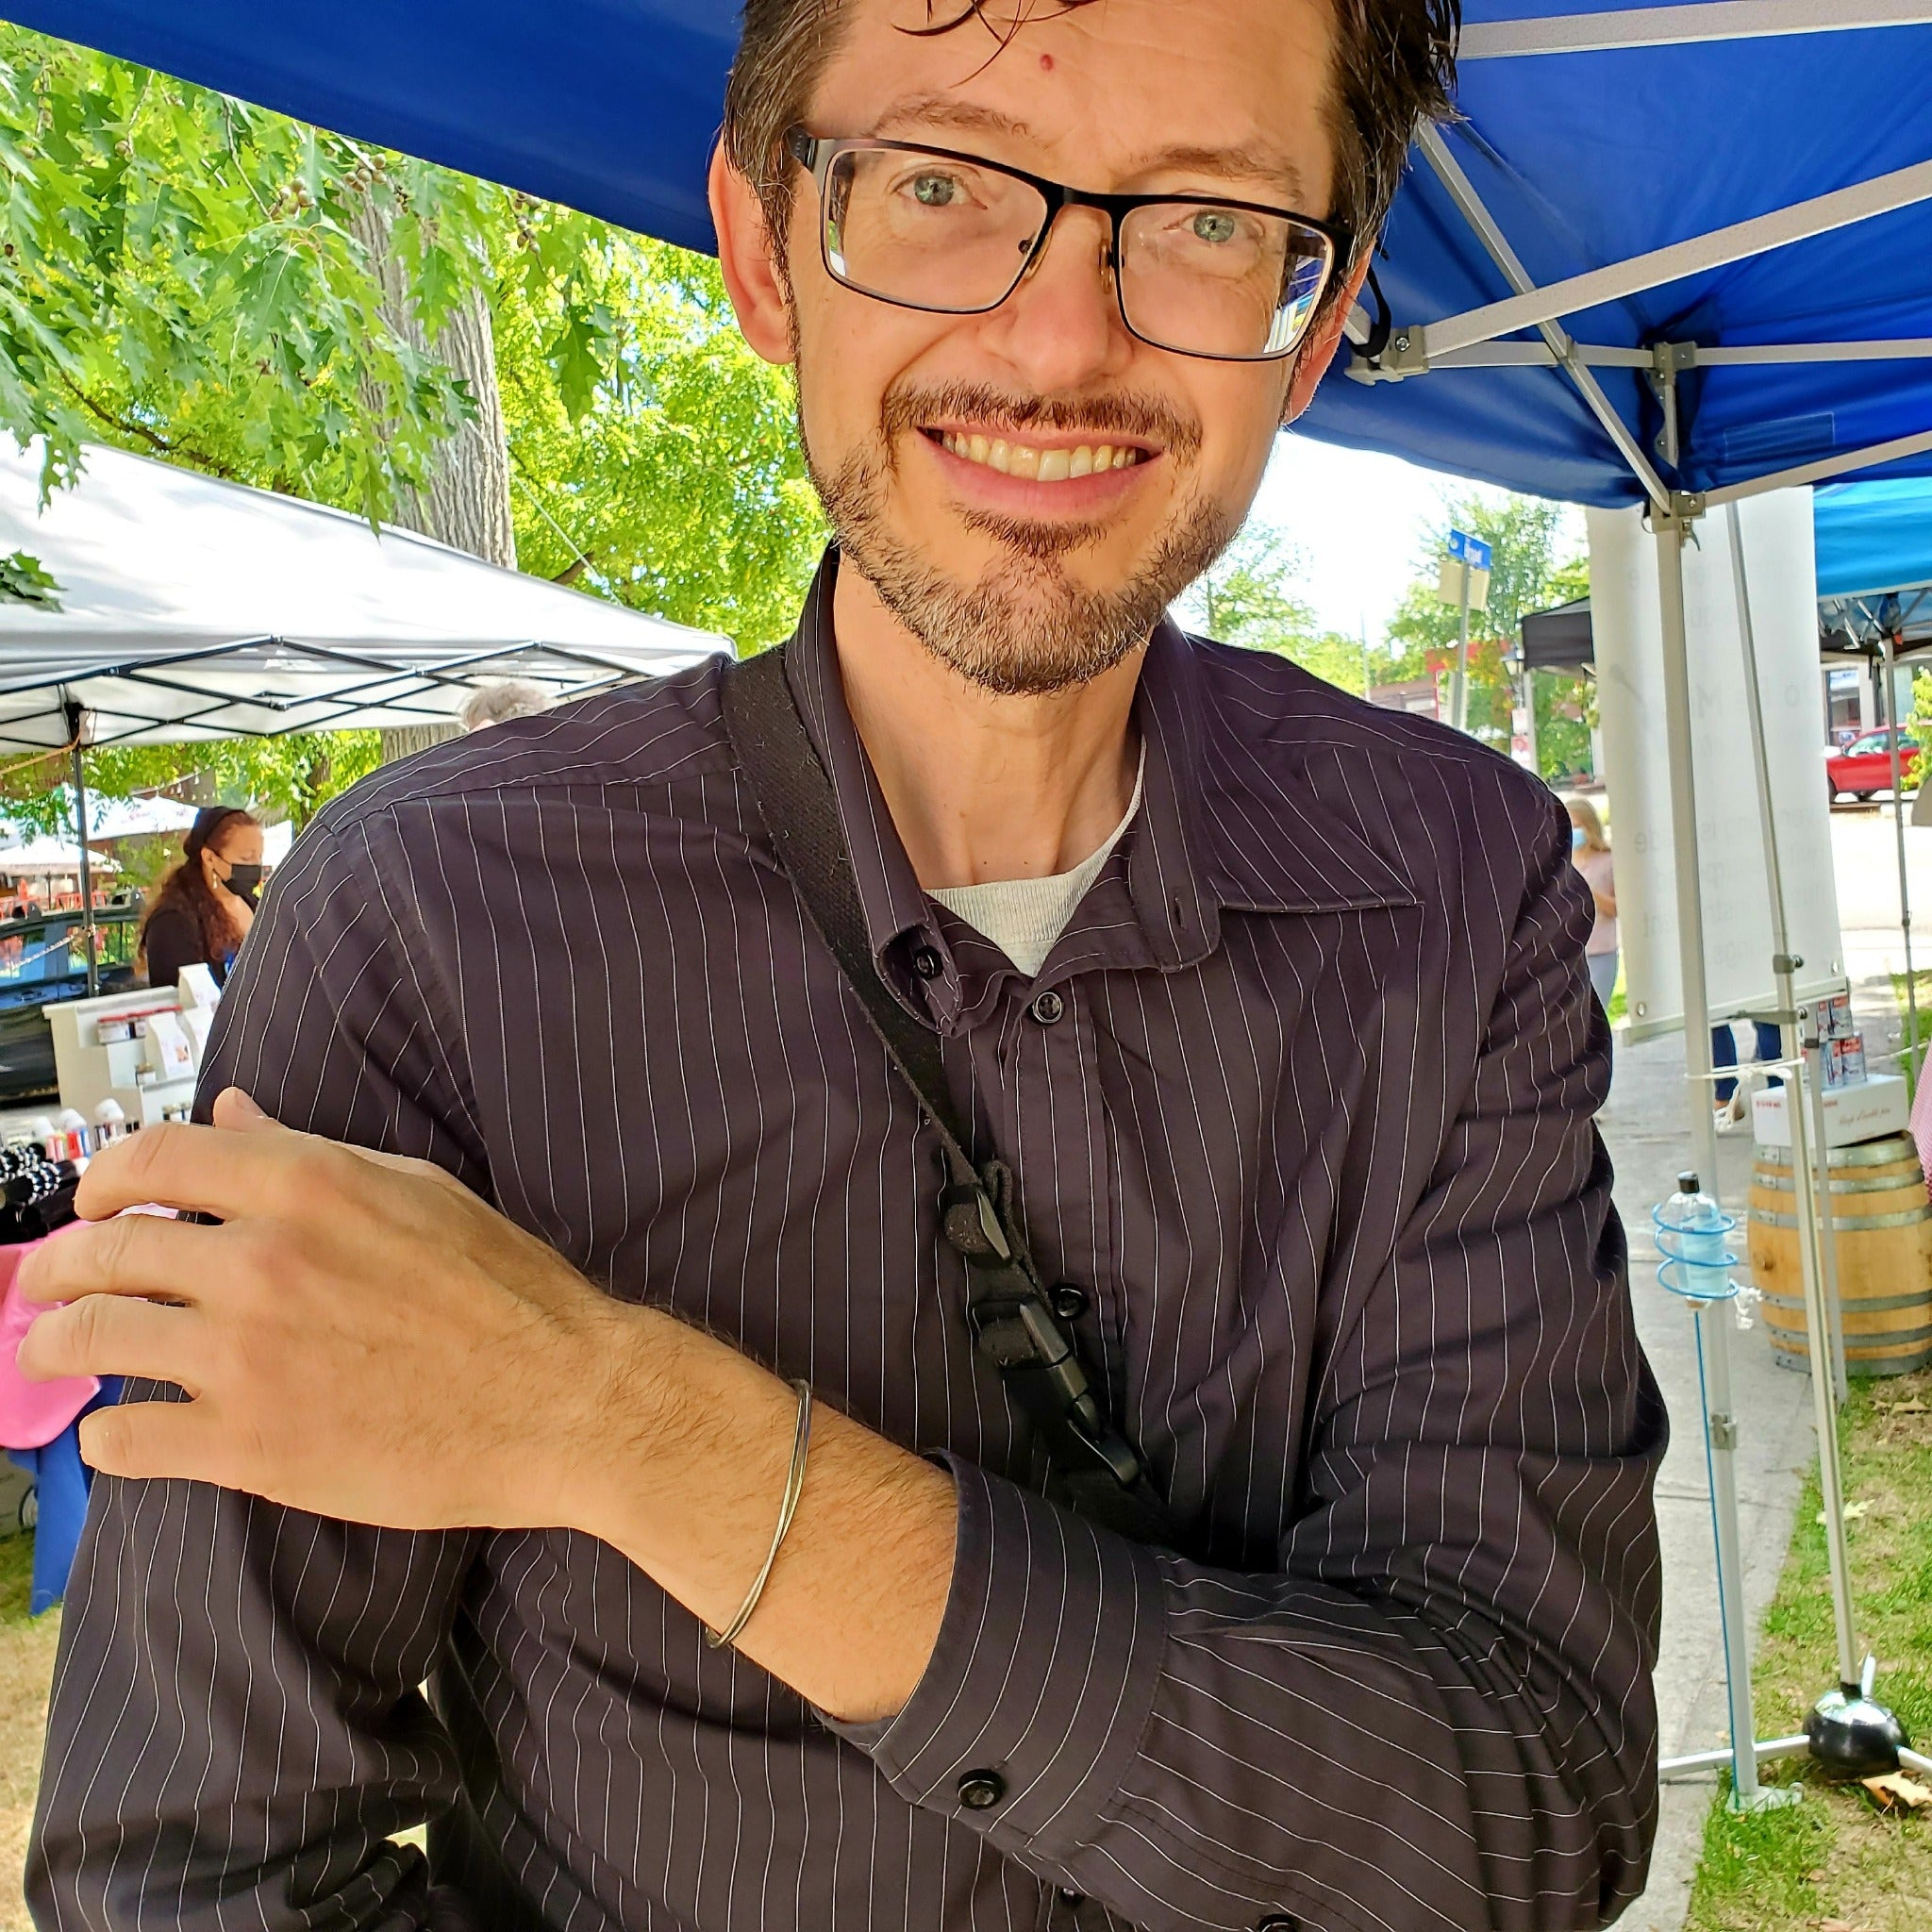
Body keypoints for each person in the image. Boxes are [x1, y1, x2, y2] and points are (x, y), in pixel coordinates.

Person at [21, 5, 1667, 1929]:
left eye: (1205, 219)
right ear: (759, 250)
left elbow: (1522, 1807)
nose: (1060, 343)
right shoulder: (434, 922)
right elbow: (188, 1870)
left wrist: (616, 1417)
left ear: (1312, 320)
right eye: (939, 184)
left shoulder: (1454, 882)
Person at [136, 804, 265, 989]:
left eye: (259, 857)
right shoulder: (172, 922)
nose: (256, 866)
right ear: (209, 858)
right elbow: (181, 999)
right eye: (246, 858)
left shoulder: (257, 906)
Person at [1568, 794, 1618, 1011]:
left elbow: (1617, 908)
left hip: (1601, 953)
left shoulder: (1609, 860)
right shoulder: (1564, 863)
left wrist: (1591, 893)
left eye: (1577, 825)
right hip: (1572, 955)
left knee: (1596, 1013)